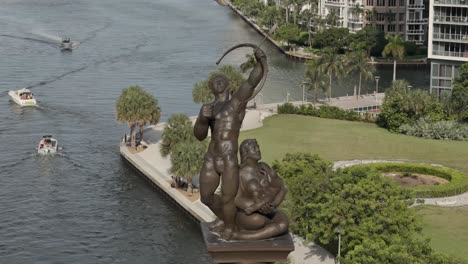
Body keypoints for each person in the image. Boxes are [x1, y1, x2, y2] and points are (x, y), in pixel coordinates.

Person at [194, 48, 267, 240]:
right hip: (211, 157)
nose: (216, 82)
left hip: (228, 157)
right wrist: (202, 119)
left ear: (228, 84)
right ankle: (227, 220)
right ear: (210, 88)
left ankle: (230, 228)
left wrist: (261, 61)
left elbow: (252, 81)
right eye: (213, 82)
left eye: (220, 80)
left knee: (228, 198)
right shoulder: (209, 108)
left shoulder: (236, 102)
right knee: (206, 196)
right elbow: (200, 136)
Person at [233, 139, 289, 240]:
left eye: (258, 147)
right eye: (254, 149)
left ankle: (244, 236)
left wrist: (273, 205)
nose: (258, 150)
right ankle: (244, 234)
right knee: (258, 221)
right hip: (249, 213)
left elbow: (281, 187)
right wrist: (256, 206)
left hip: (269, 210)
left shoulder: (264, 167)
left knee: (284, 223)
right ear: (246, 153)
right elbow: (236, 199)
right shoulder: (239, 173)